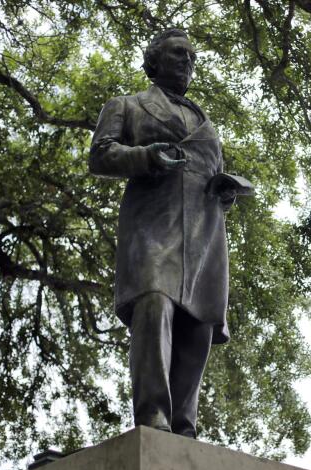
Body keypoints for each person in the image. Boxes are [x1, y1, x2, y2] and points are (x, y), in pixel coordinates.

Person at [89, 29, 233, 438]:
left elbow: (207, 172)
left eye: (191, 56)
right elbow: (100, 155)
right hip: (153, 224)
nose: (186, 61)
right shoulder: (127, 106)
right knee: (153, 305)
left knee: (199, 325)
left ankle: (185, 427)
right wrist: (146, 157)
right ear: (154, 60)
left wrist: (224, 191)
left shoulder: (206, 122)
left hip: (205, 233)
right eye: (177, 53)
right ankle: (153, 417)